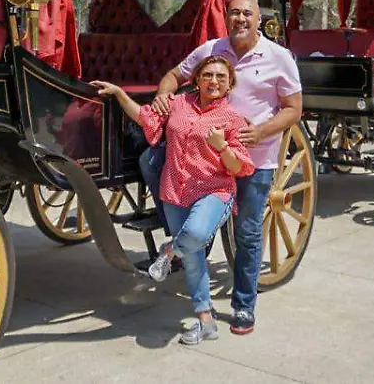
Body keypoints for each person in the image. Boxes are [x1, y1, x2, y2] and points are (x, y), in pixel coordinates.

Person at [142, 0, 302, 336]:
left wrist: (260, 131)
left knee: (246, 234)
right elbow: (175, 75)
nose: (240, 19)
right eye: (234, 13)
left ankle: (243, 305)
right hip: (203, 163)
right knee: (151, 161)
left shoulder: (279, 57)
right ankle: (185, 244)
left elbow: (293, 109)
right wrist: (162, 93)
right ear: (226, 18)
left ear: (259, 19)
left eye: (248, 13)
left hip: (254, 160)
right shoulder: (211, 50)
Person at [91, 55, 254, 345]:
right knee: (193, 259)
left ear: (230, 85)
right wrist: (118, 93)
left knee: (196, 235)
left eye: (220, 77)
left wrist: (222, 145)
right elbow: (145, 118)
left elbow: (239, 167)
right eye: (207, 75)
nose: (213, 81)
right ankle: (206, 320)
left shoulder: (233, 119)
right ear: (196, 80)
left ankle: (167, 253)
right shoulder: (178, 104)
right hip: (175, 192)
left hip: (214, 191)